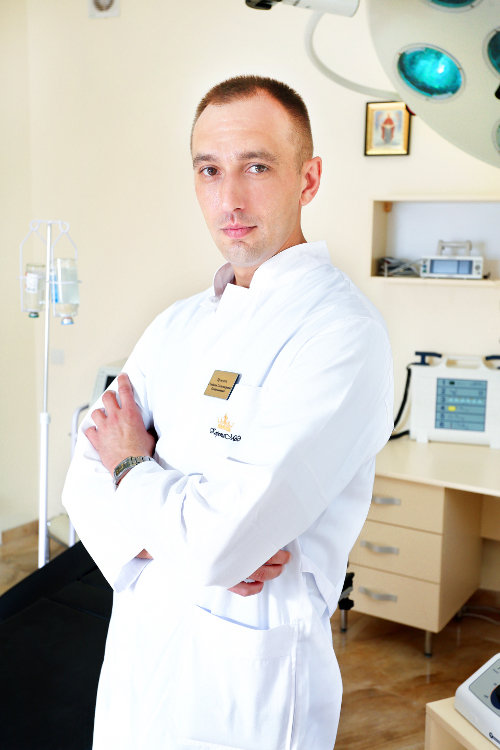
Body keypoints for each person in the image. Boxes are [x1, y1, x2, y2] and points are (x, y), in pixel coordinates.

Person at [62, 75, 393, 750]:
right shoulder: (176, 325)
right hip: (139, 665)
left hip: (246, 694)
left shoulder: (341, 335)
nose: (230, 198)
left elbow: (216, 542)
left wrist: (132, 465)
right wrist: (186, 540)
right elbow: (81, 482)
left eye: (257, 167)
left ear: (308, 179)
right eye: (210, 170)